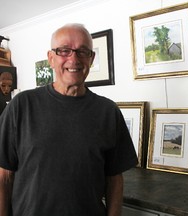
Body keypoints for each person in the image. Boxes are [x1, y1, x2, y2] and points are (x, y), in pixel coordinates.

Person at [0, 23, 138, 216]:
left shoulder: (108, 111)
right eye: (64, 50)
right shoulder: (21, 106)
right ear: (51, 58)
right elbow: (4, 175)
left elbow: (114, 179)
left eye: (83, 51)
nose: (74, 59)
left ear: (91, 58)